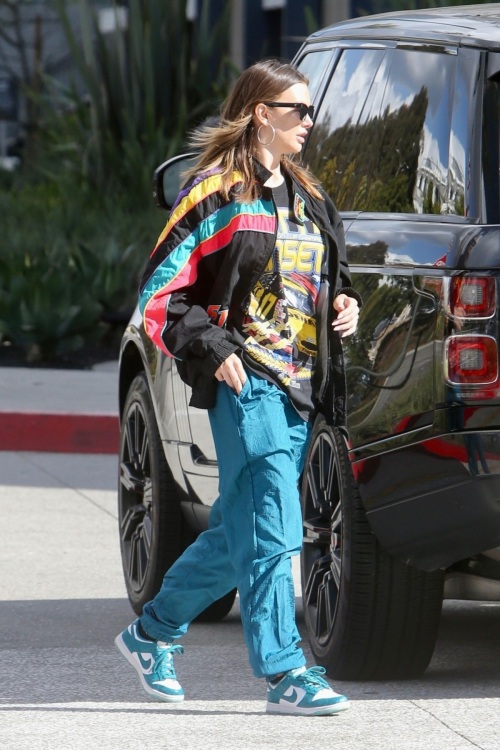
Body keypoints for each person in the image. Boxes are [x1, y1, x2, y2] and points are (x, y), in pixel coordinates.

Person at [115, 59, 361, 716]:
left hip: (304, 389)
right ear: (261, 113)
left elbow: (327, 277)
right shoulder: (217, 193)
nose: (309, 121)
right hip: (246, 383)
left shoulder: (307, 196)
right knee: (274, 527)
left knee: (238, 530)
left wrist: (346, 304)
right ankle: (285, 671)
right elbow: (161, 294)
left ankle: (151, 633)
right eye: (298, 110)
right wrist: (213, 346)